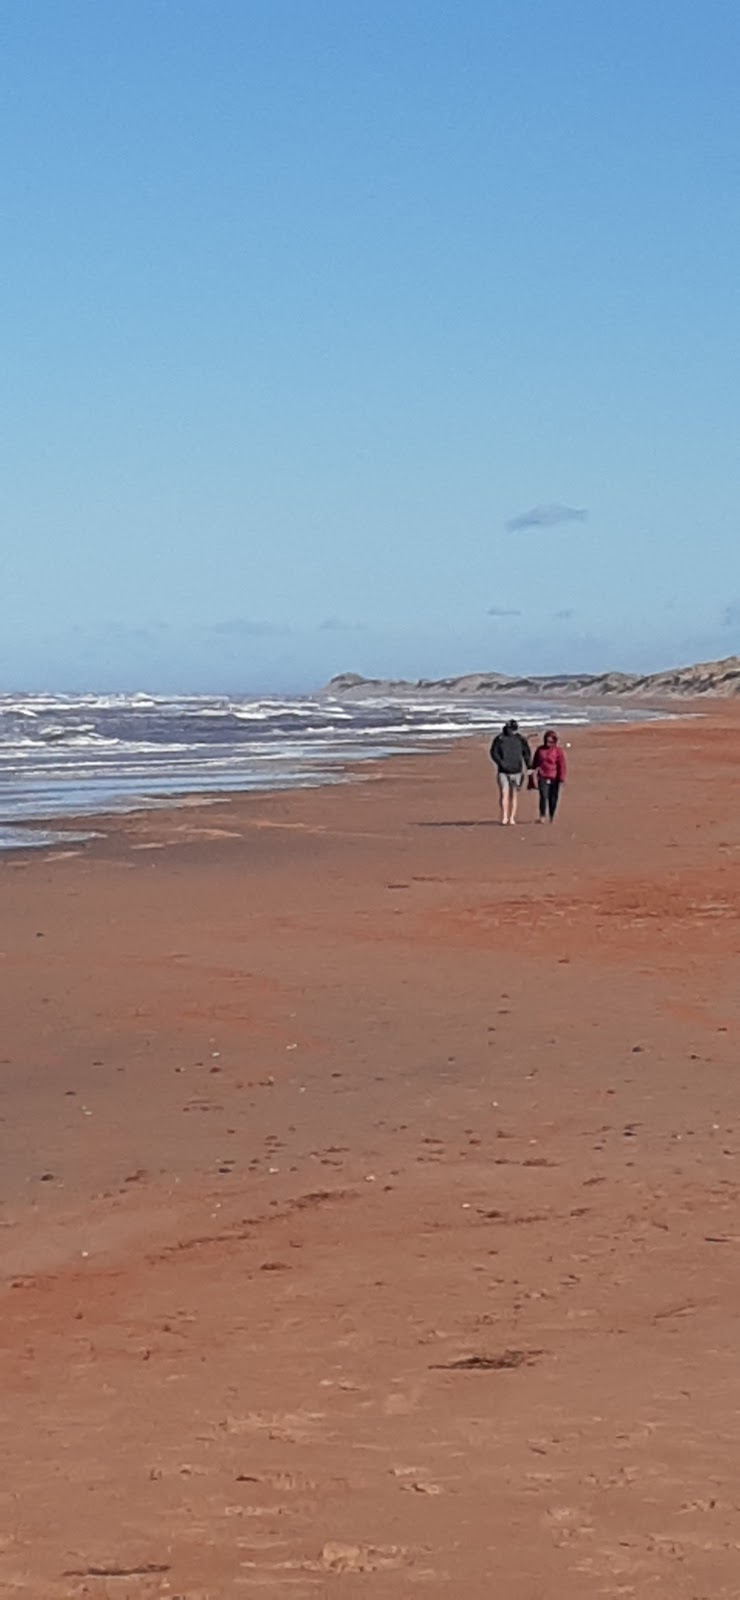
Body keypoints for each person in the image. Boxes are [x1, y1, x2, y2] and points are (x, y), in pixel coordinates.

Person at [489, 719, 532, 826]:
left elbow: (526, 754)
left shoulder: (520, 739)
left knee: (512, 795)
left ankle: (511, 818)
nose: (512, 731)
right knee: (505, 794)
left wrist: (529, 766)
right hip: (504, 771)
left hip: (516, 771)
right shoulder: (500, 739)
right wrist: (501, 763)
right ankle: (505, 817)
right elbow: (494, 753)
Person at [532, 728, 567, 822]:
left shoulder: (558, 751)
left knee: (553, 797)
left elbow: (562, 765)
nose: (549, 743)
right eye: (547, 741)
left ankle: (551, 815)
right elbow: (535, 763)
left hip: (555, 777)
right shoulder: (540, 750)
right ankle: (542, 815)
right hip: (542, 776)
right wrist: (532, 773)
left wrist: (562, 778)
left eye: (551, 742)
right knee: (543, 796)